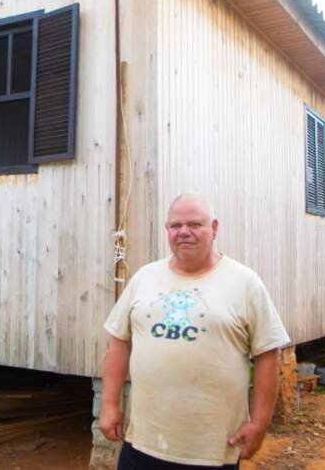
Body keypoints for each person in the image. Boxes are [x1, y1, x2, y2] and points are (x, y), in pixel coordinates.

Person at [99, 193, 290, 469]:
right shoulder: (144, 278)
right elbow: (119, 342)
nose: (184, 232)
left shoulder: (244, 283)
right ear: (167, 231)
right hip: (143, 443)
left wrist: (259, 423)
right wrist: (109, 405)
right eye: (176, 226)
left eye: (194, 224)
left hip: (212, 449)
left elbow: (268, 354)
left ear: (214, 228)